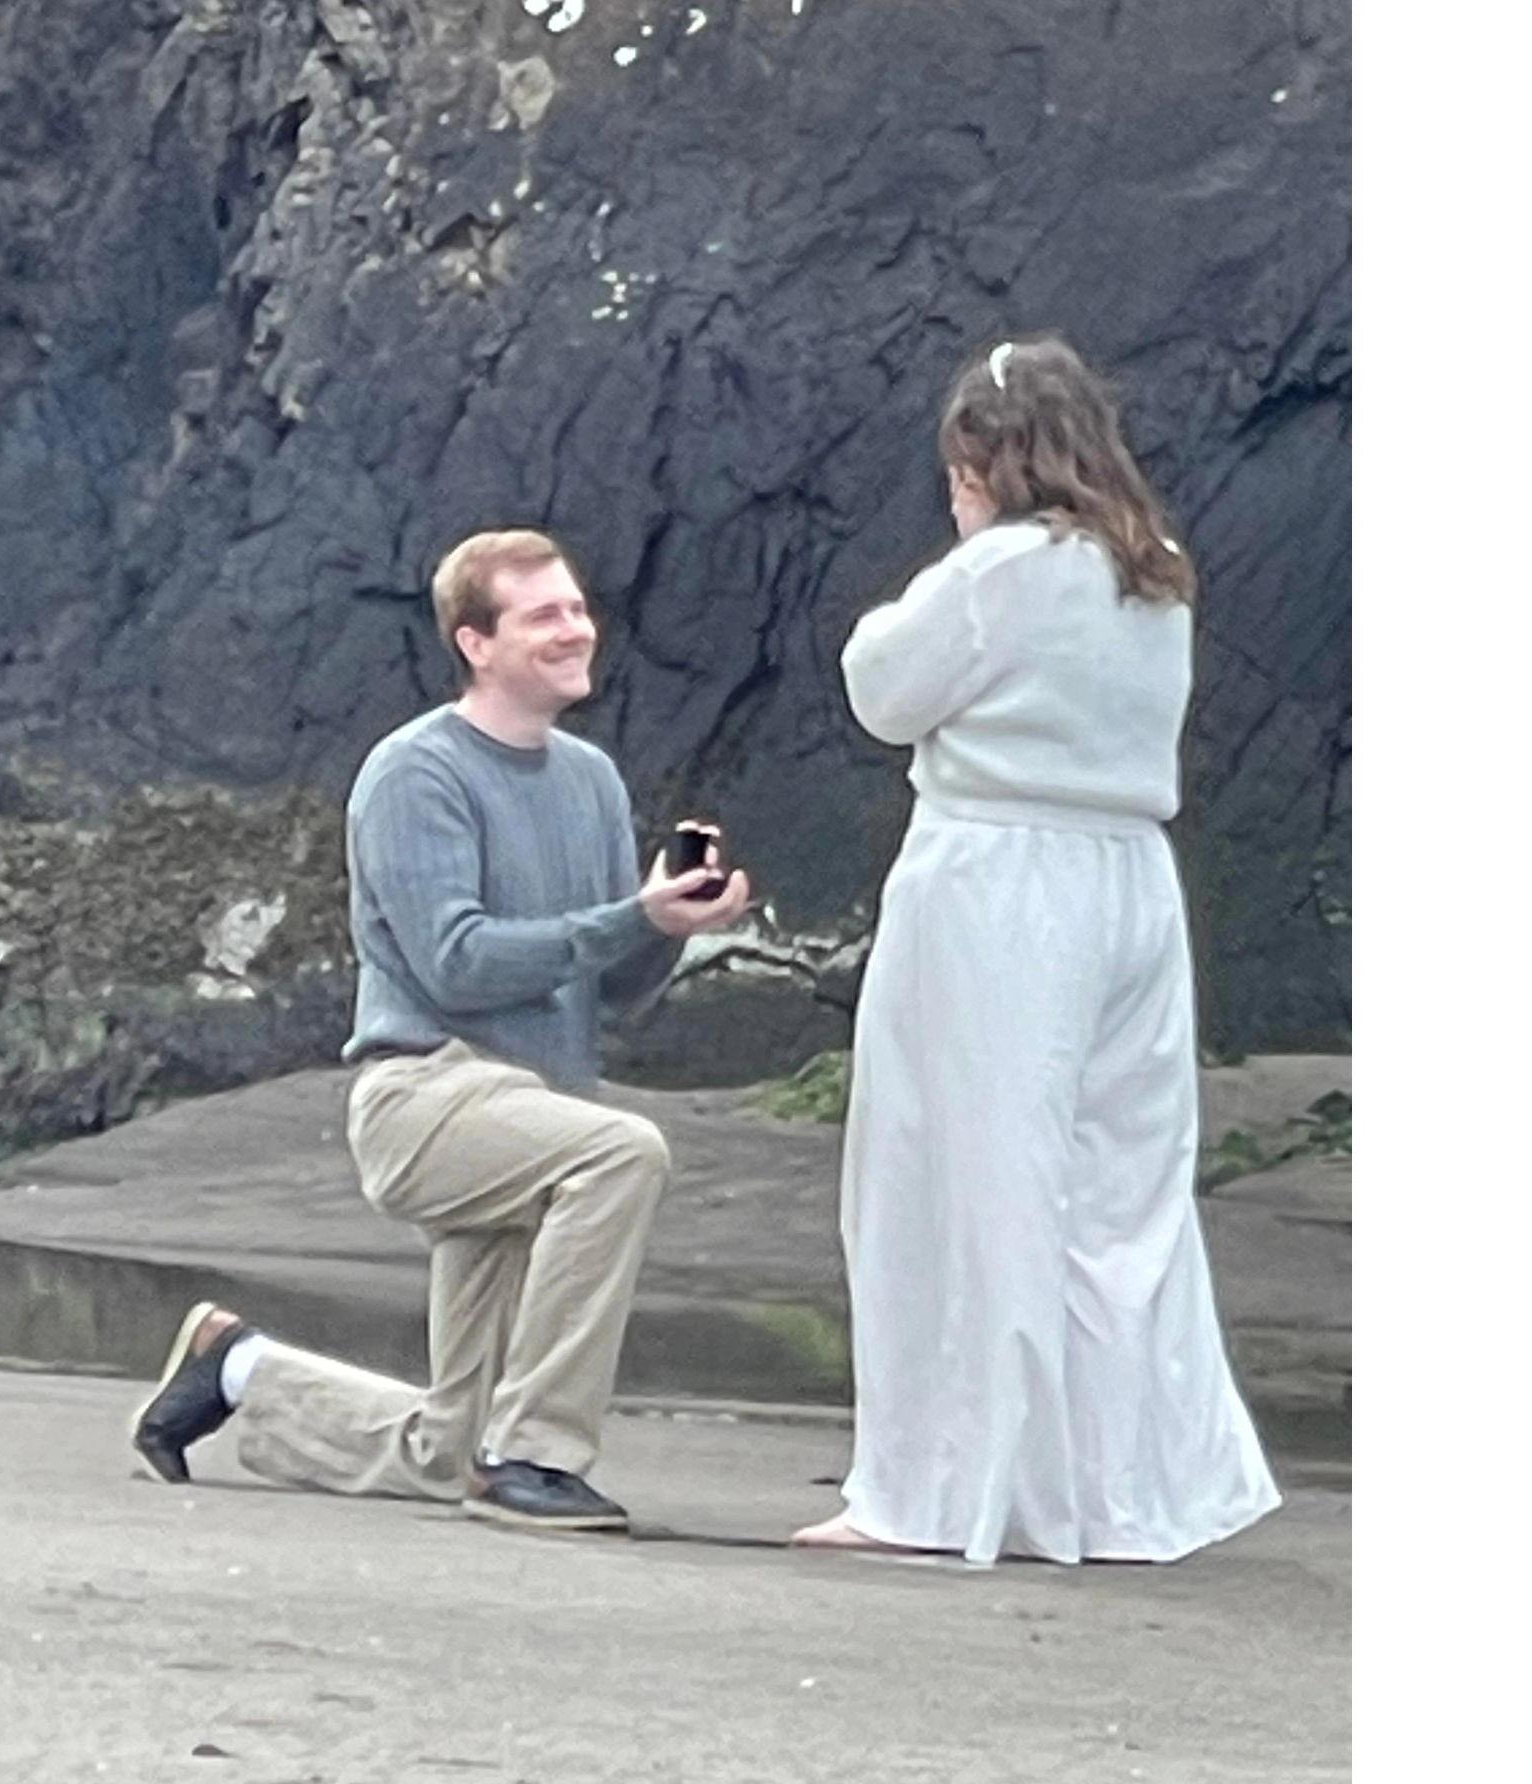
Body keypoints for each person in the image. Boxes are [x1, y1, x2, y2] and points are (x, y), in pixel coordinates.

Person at [131, 528, 750, 1531]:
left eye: (578, 609)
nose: (575, 627)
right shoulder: (414, 773)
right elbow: (453, 963)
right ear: (476, 641)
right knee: (624, 1156)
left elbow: (612, 987)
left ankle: (236, 1366)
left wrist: (669, 922)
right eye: (544, 614)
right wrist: (626, 917)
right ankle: (541, 1456)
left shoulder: (590, 780)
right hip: (427, 1097)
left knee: (445, 1452)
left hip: (535, 1114)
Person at [792, 337, 1281, 1564]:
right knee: (1117, 1193)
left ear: (985, 459)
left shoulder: (1001, 570)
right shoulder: (1156, 570)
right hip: (1127, 881)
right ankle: (1122, 1491)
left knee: (953, 1183)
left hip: (998, 881)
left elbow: (880, 688)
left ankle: (944, 1489)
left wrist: (958, 554)